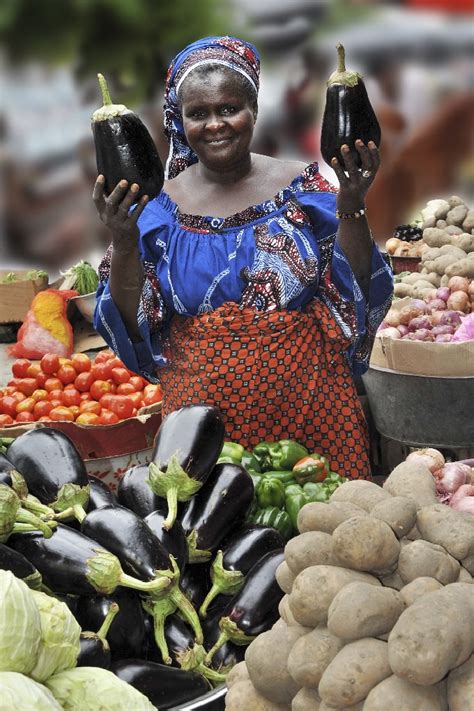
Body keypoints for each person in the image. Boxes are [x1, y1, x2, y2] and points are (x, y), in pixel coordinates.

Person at [93, 36, 393, 480]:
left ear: (253, 109)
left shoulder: (305, 190)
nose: (216, 124)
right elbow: (128, 319)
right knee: (211, 539)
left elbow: (358, 288)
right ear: (181, 121)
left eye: (229, 108)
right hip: (201, 430)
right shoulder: (156, 212)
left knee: (328, 537)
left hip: (314, 410)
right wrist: (123, 239)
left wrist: (351, 200)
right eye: (199, 113)